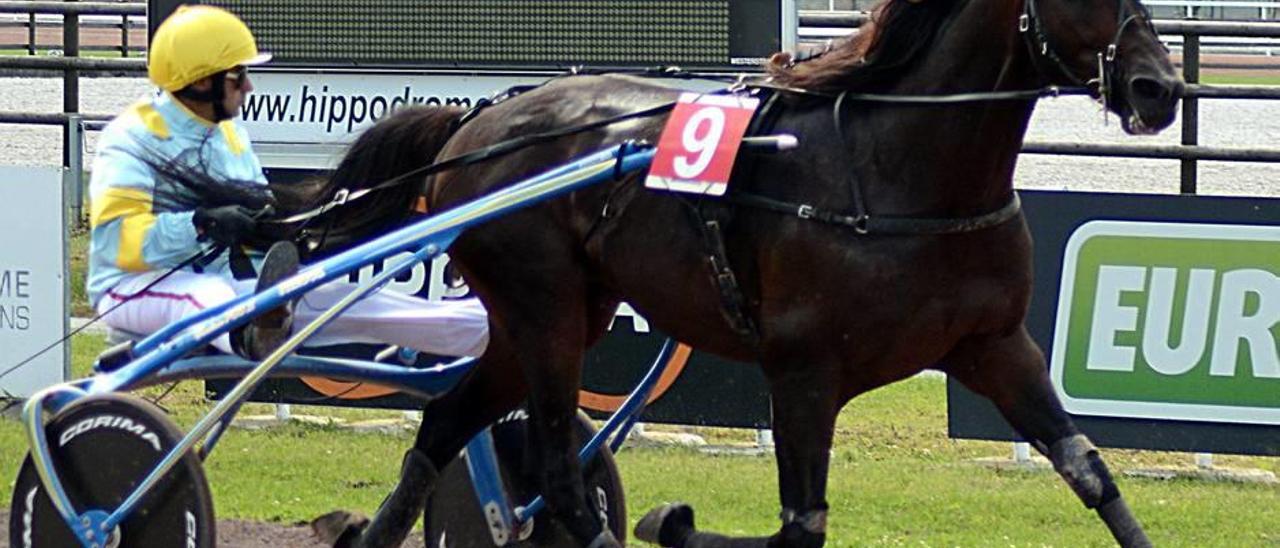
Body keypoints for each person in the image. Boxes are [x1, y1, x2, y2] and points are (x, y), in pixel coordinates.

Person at [87, 5, 488, 359]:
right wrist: (200, 224)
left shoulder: (230, 135)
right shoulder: (133, 136)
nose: (248, 87)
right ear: (201, 82)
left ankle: (489, 331)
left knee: (352, 301)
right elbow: (116, 241)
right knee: (205, 298)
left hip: (240, 290)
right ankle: (251, 333)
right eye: (237, 76)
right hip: (133, 290)